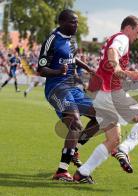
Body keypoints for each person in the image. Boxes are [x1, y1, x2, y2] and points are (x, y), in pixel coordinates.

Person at [73, 15, 138, 182]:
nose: (137, 37)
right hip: (111, 93)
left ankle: (82, 173)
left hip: (100, 96)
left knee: (112, 140)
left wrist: (127, 72)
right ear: (128, 28)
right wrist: (117, 66)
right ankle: (124, 150)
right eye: (137, 32)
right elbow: (113, 52)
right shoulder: (122, 38)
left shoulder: (114, 38)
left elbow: (112, 56)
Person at [37, 9, 98, 183]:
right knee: (75, 124)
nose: (76, 25)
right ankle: (61, 172)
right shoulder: (52, 40)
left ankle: (74, 150)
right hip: (56, 88)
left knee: (101, 116)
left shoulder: (72, 40)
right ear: (62, 22)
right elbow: (41, 69)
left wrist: (87, 68)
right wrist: (57, 71)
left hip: (73, 88)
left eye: (77, 22)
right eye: (73, 22)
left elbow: (72, 57)